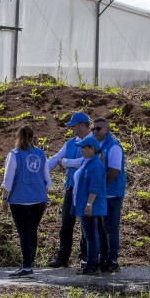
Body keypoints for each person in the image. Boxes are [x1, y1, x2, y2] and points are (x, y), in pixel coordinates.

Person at [1, 125, 51, 278]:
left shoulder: (14, 154)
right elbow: (47, 180)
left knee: (23, 233)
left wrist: (4, 198)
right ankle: (29, 264)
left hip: (19, 199)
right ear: (32, 137)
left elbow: (8, 180)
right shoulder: (41, 154)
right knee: (32, 231)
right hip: (39, 199)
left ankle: (27, 266)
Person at [46, 111, 91, 268]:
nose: (72, 129)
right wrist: (41, 170)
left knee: (86, 224)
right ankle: (62, 258)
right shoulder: (71, 143)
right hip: (71, 188)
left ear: (81, 126)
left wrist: (65, 162)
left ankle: (84, 257)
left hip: (86, 189)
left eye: (74, 126)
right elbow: (55, 159)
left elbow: (85, 161)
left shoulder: (93, 141)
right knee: (66, 223)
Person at [92, 117, 126, 273]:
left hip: (112, 194)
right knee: (100, 228)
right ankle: (103, 258)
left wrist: (101, 187)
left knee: (110, 228)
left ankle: (113, 259)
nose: (95, 131)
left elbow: (114, 170)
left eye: (98, 129)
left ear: (107, 129)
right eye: (93, 129)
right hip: (102, 194)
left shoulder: (113, 146)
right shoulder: (98, 146)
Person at [72, 136, 107, 275]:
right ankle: (91, 264)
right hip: (85, 206)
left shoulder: (95, 165)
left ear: (92, 149)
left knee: (91, 236)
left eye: (84, 148)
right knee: (90, 236)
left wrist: (89, 204)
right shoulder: (88, 162)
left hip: (91, 206)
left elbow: (95, 187)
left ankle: (92, 265)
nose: (82, 150)